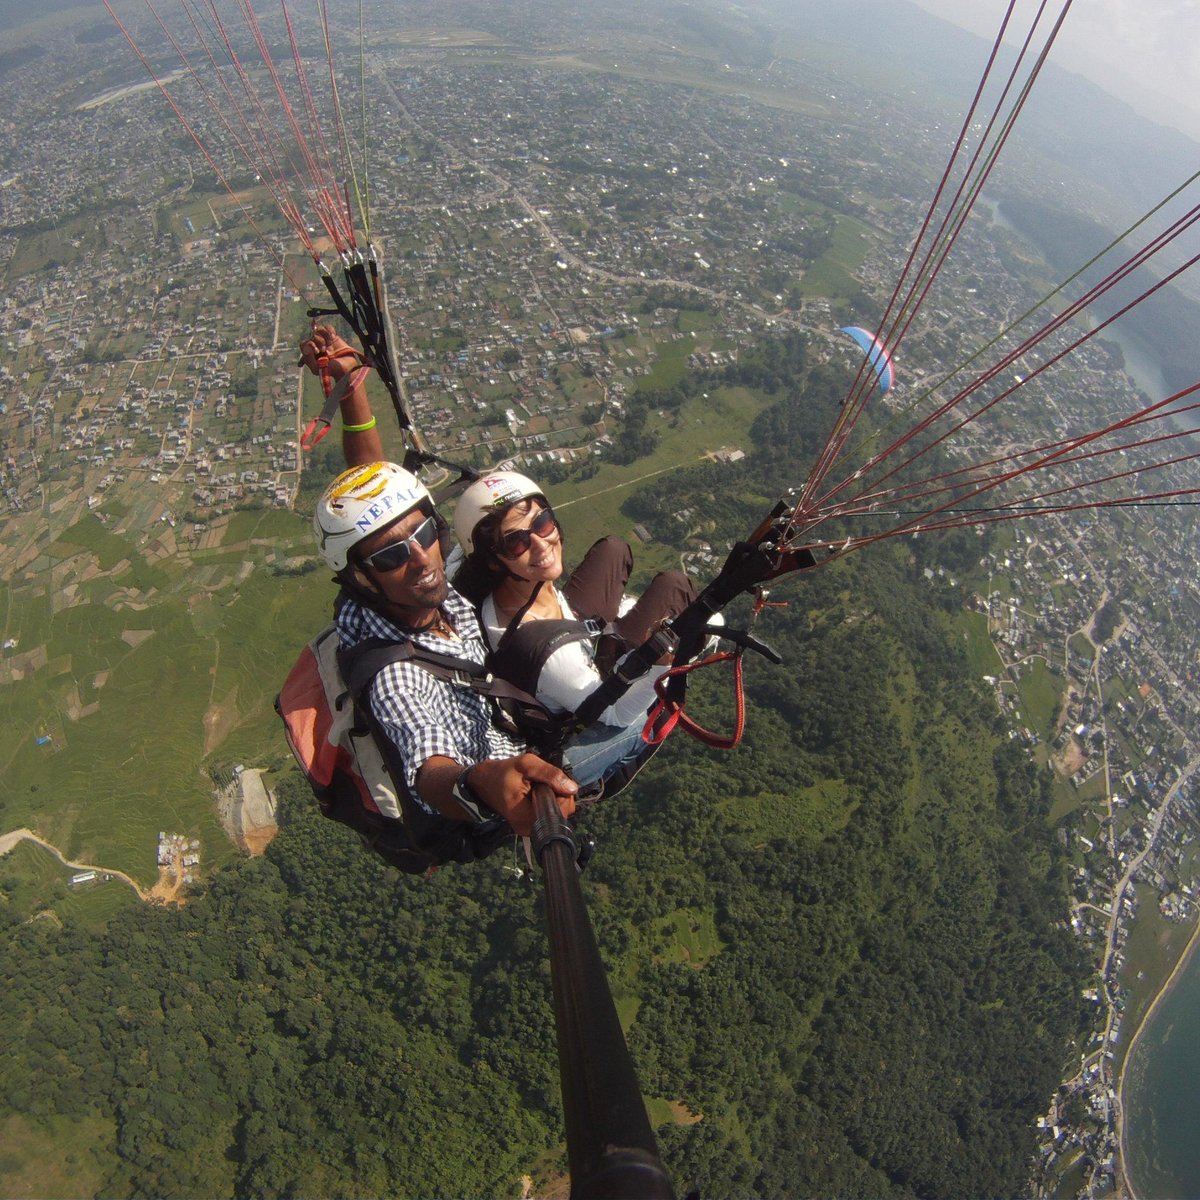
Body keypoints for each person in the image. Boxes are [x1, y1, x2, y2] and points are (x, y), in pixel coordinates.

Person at [300, 328, 579, 846]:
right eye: (390, 555)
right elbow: (428, 765)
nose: (420, 559)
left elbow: (373, 492)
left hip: (491, 695)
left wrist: (351, 389)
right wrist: (480, 784)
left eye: (425, 532)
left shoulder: (405, 589)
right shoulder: (395, 677)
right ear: (361, 575)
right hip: (499, 788)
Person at [452, 471, 698, 786]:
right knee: (675, 587)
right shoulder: (555, 658)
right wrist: (661, 665)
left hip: (567, 627)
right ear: (492, 560)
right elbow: (616, 715)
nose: (542, 545)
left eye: (542, 522)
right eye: (516, 542)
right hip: (587, 686)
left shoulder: (512, 587)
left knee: (614, 548)